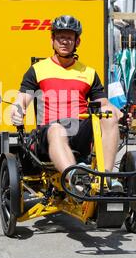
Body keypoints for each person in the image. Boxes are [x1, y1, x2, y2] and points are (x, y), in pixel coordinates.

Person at [10, 15, 128, 192]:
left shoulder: (88, 72)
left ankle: (106, 178)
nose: (64, 42)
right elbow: (22, 98)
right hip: (48, 132)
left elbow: (103, 103)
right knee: (57, 129)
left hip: (79, 131)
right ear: (52, 40)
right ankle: (73, 177)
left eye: (69, 38)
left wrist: (119, 113)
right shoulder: (38, 69)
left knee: (108, 116)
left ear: (77, 41)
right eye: (60, 37)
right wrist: (17, 110)